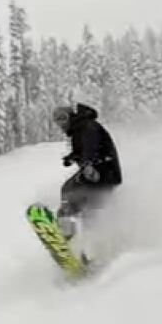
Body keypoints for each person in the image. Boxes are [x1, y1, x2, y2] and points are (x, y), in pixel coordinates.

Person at [52, 103, 122, 242]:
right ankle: (83, 242)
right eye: (57, 120)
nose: (61, 123)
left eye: (63, 118)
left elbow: (91, 145)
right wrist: (72, 157)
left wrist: (88, 162)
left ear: (71, 116)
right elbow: (84, 149)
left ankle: (69, 234)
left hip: (103, 171)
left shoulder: (88, 126)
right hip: (100, 170)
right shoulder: (80, 129)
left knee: (70, 191)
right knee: (84, 204)